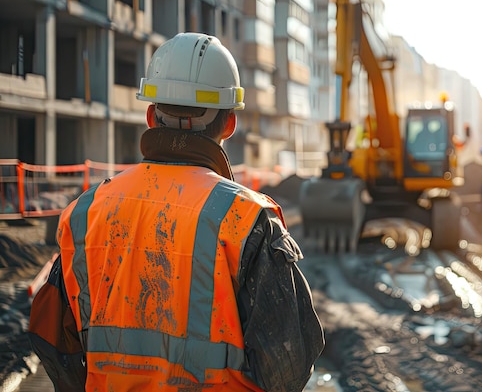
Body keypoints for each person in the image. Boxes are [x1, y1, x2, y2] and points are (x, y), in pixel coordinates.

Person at [28, 32, 325, 392]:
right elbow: (288, 365)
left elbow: (51, 338)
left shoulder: (85, 213)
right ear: (229, 124)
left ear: (152, 114)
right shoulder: (247, 220)